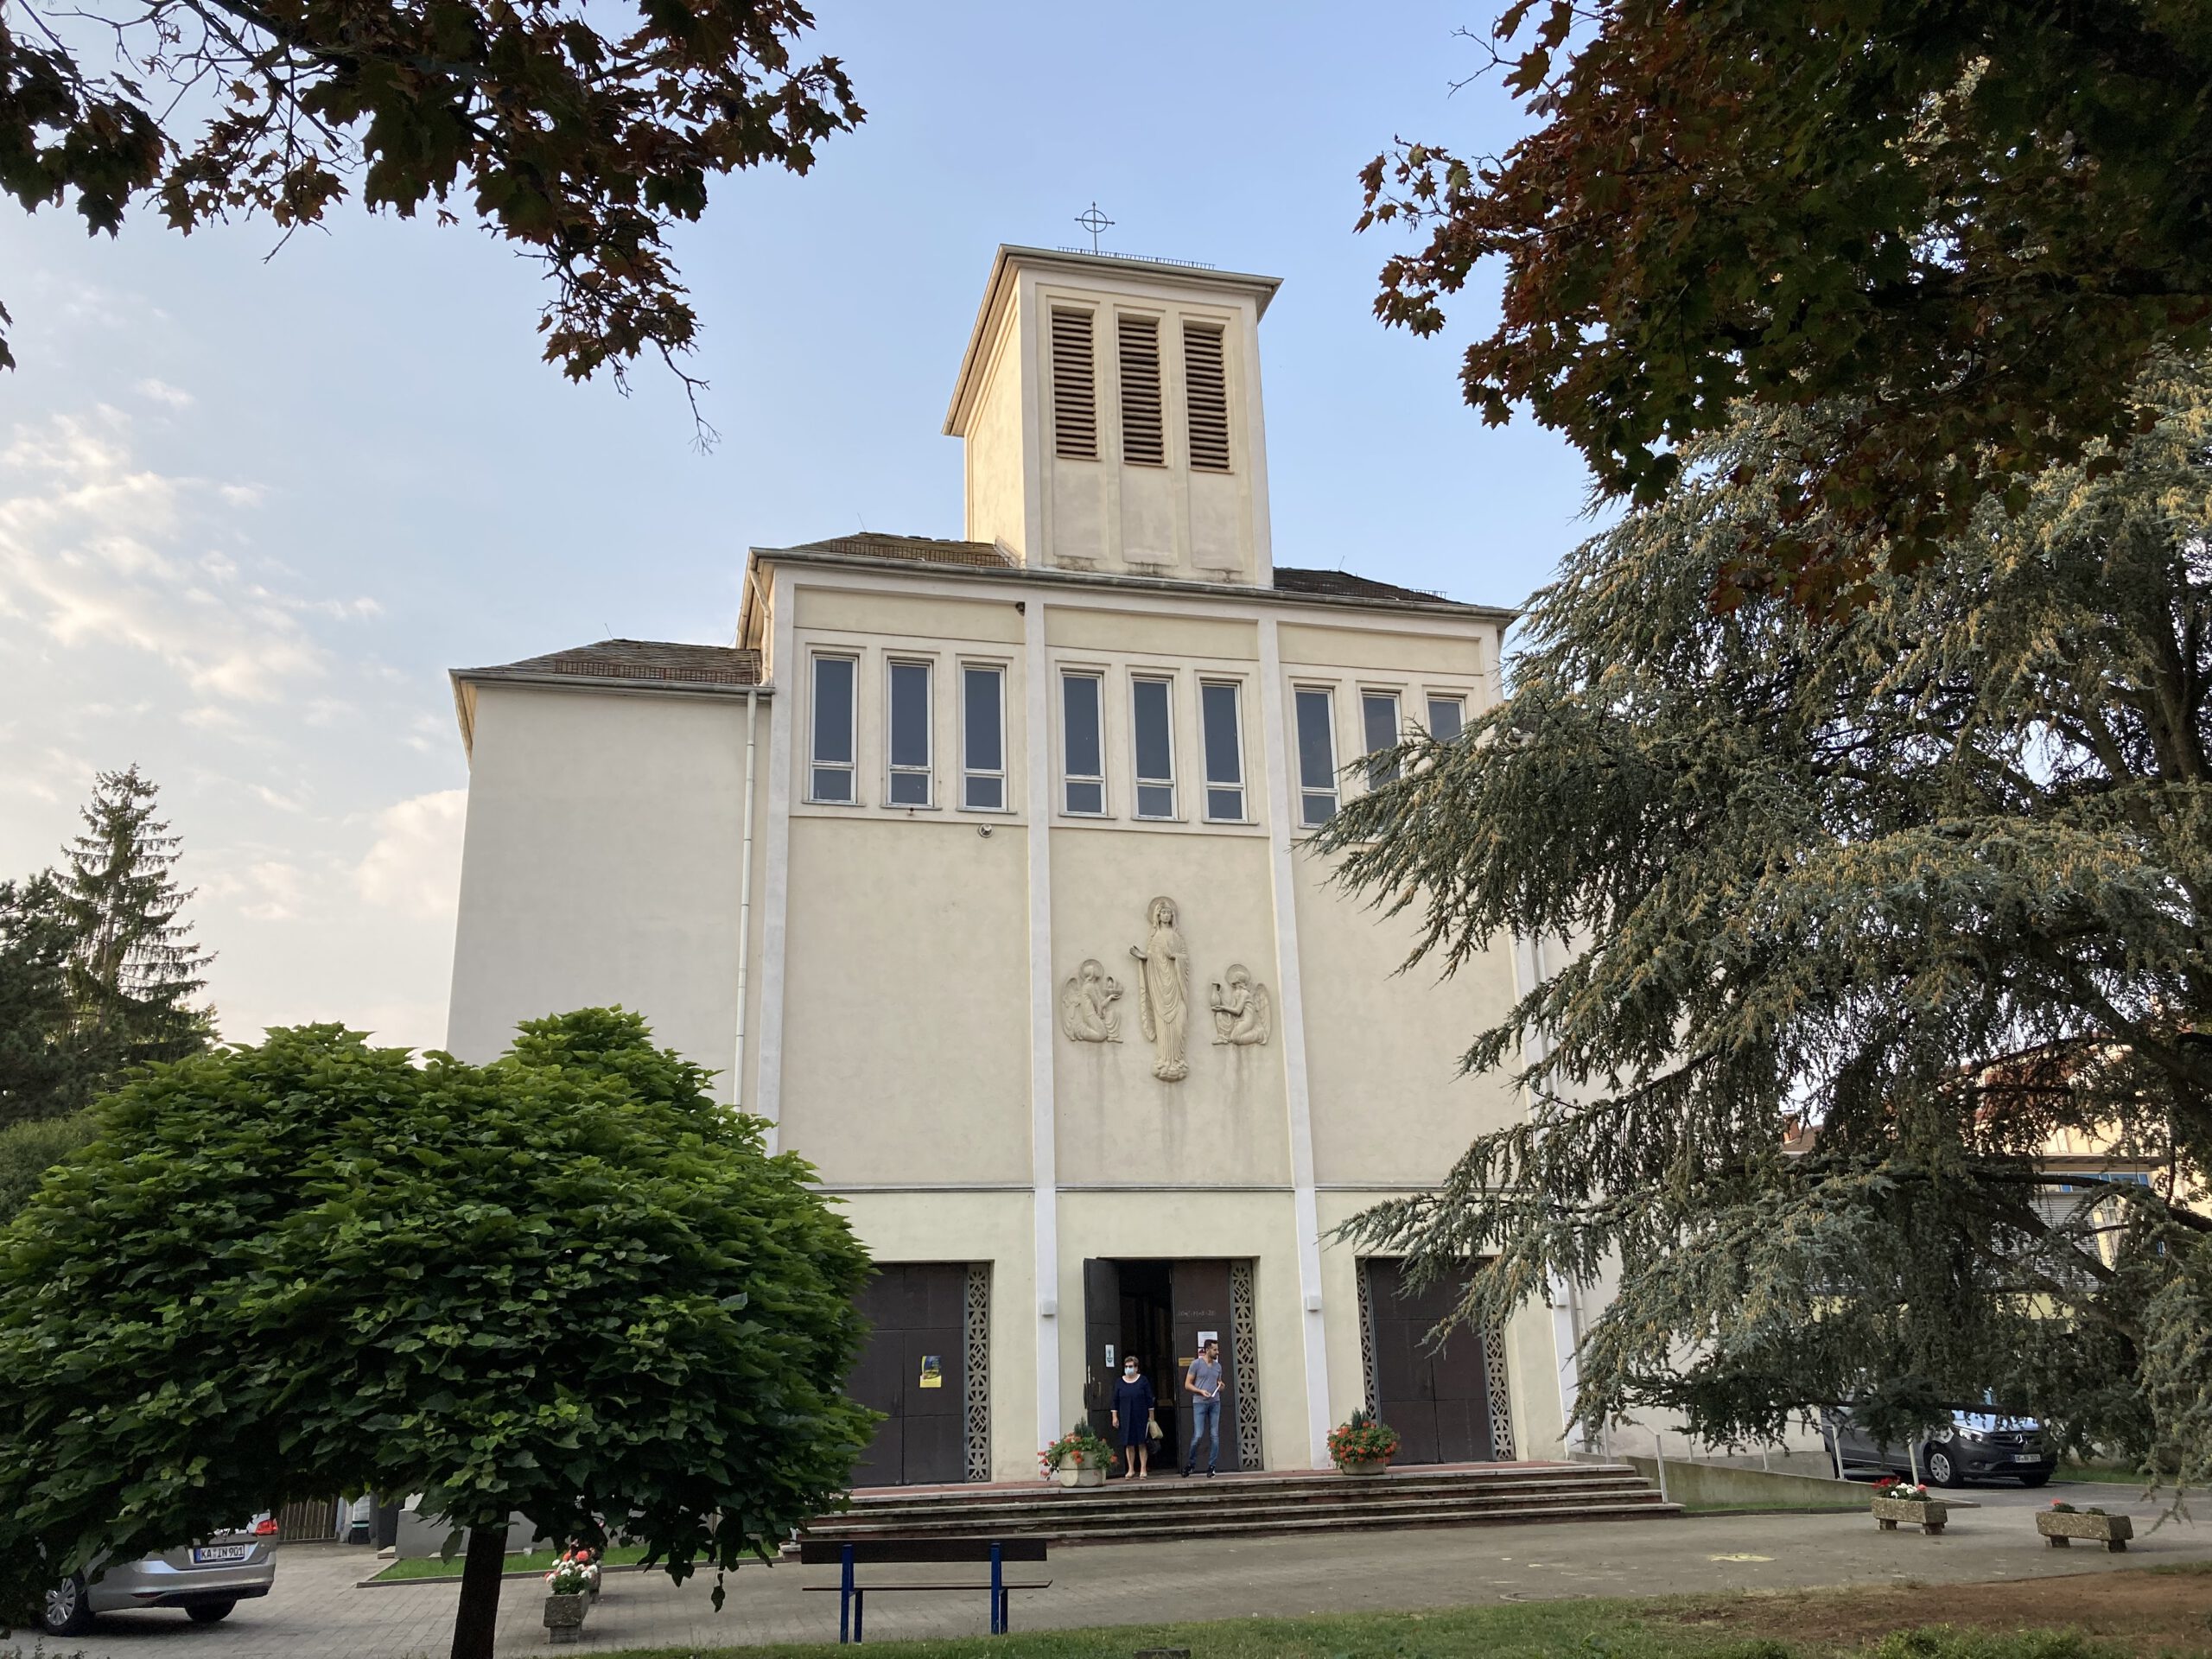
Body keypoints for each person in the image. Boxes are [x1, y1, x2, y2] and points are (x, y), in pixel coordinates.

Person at [1183, 1338, 1226, 1477]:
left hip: (1215, 1402)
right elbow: (1187, 1384)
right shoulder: (1196, 1364)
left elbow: (1218, 1382)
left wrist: (1221, 1387)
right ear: (1207, 1349)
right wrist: (1200, 1391)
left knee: (1214, 1434)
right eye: (1214, 1349)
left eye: (1217, 1350)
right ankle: (1191, 1463)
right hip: (1200, 1402)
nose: (1217, 1352)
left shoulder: (1218, 1366)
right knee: (1198, 1435)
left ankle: (1212, 1466)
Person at [1109, 1354, 1156, 1478]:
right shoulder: (1119, 1382)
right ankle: (1130, 1469)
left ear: (1136, 1368)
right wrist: (1115, 1417)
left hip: (1140, 1416)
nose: (1128, 1368)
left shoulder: (1143, 1380)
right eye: (1126, 1366)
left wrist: (1151, 1418)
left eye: (1130, 1366)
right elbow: (1115, 1401)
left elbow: (1149, 1400)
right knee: (1129, 1444)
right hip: (1125, 1417)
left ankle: (1143, 1468)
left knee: (1141, 1443)